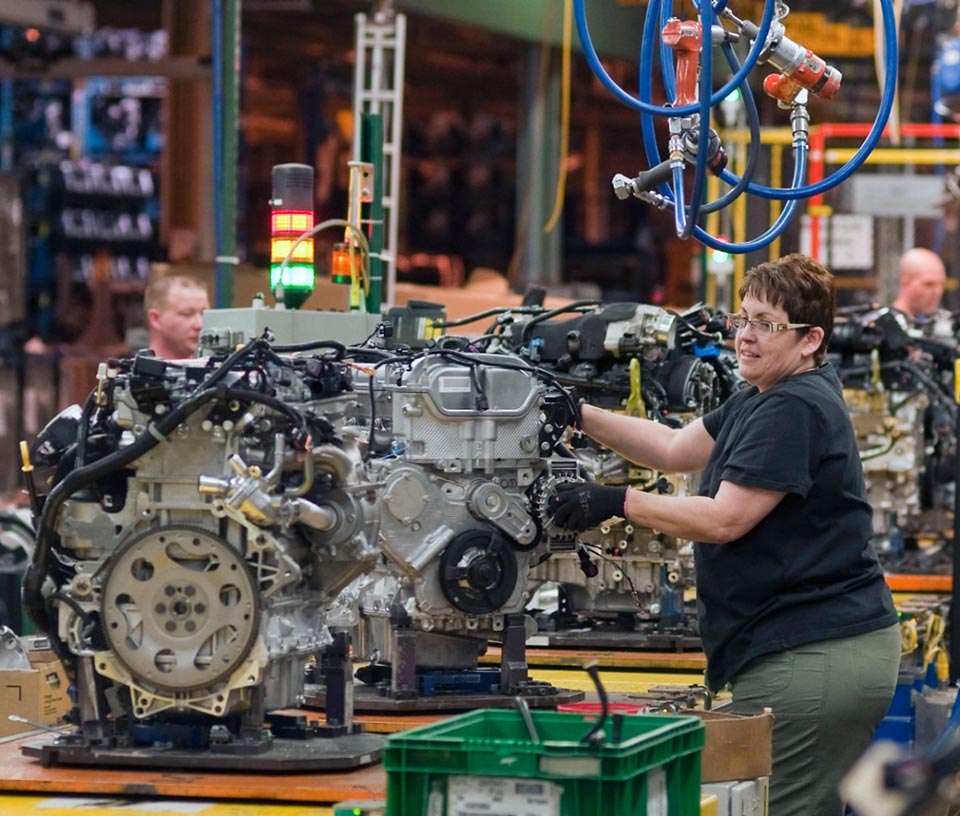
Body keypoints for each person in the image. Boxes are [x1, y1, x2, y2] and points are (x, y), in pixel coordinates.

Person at [550, 253, 900, 816]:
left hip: (813, 656)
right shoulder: (762, 397)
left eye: (766, 324)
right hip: (805, 648)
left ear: (810, 340)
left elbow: (724, 517)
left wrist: (614, 501)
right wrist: (578, 413)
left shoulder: (793, 408)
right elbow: (671, 448)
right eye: (742, 319)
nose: (745, 336)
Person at [144, 274, 210, 359]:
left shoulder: (216, 370)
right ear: (155, 319)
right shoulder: (132, 372)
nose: (199, 325)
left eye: (204, 314)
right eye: (187, 314)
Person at [891, 248, 951, 337]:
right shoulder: (884, 327)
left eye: (941, 284)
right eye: (929, 284)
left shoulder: (948, 326)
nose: (937, 292)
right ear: (906, 281)